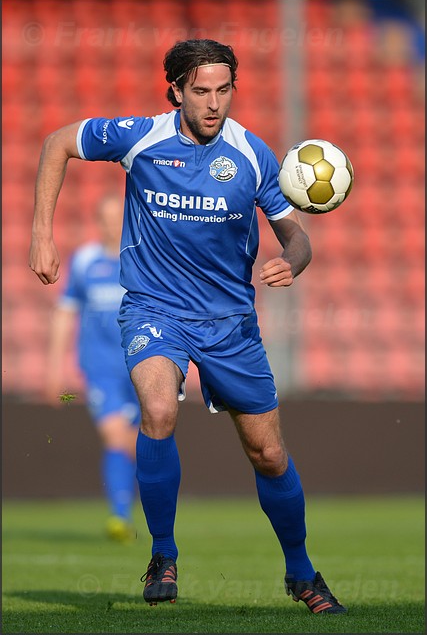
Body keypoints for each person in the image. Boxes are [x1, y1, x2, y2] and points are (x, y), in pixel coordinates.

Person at [30, 38, 347, 613]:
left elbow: (295, 234)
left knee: (268, 454)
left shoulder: (252, 154)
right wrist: (42, 234)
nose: (213, 103)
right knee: (157, 410)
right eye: (200, 90)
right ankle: (163, 553)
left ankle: (301, 572)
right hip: (155, 309)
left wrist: (292, 262)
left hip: (229, 323)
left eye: (223, 90)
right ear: (175, 90)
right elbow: (57, 142)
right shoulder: (140, 137)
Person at [44, 194, 140, 542]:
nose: (112, 224)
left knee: (139, 442)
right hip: (100, 367)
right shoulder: (84, 261)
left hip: (143, 365)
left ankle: (137, 513)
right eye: (106, 217)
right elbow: (65, 312)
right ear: (97, 221)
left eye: (118, 217)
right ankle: (119, 516)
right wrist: (54, 368)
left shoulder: (143, 257)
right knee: (116, 436)